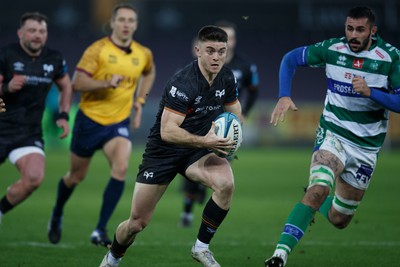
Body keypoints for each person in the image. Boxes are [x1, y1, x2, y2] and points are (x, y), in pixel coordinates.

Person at [265, 6, 400, 267]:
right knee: (318, 188)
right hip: (333, 134)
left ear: (373, 31)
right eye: (349, 28)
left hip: (366, 148)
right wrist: (284, 94)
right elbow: (290, 59)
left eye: (360, 30)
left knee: (340, 219)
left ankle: (315, 201)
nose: (353, 35)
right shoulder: (332, 49)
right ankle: (279, 255)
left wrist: (372, 93)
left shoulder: (392, 57)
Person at [100, 25, 242, 267]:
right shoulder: (183, 83)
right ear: (198, 50)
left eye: (221, 51)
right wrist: (206, 140)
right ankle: (113, 257)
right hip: (164, 151)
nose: (217, 57)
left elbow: (234, 108)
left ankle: (201, 248)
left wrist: (233, 137)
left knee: (226, 184)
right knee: (137, 223)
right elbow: (168, 132)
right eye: (210, 51)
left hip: (197, 150)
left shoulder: (227, 77)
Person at [47, 3, 156, 247]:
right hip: (89, 120)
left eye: (131, 20)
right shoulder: (98, 50)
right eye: (122, 20)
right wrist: (105, 82)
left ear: (136, 25)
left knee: (121, 168)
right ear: (113, 23)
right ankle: (56, 214)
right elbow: (76, 82)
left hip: (117, 123)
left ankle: (100, 229)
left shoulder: (143, 53)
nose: (126, 24)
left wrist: (139, 101)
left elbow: (149, 72)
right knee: (76, 176)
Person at [179, 20, 260, 228]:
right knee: (192, 168)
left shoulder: (245, 65)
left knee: (218, 168)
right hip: (201, 121)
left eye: (231, 37)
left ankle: (207, 214)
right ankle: (188, 209)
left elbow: (254, 90)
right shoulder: (206, 63)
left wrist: (243, 114)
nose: (228, 41)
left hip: (227, 123)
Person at [0, 12, 72, 222]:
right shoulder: (6, 55)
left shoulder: (54, 58)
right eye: (32, 30)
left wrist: (64, 115)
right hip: (2, 128)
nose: (37, 35)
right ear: (20, 33)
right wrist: (7, 87)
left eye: (42, 31)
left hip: (27, 133)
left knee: (33, 178)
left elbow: (66, 86)